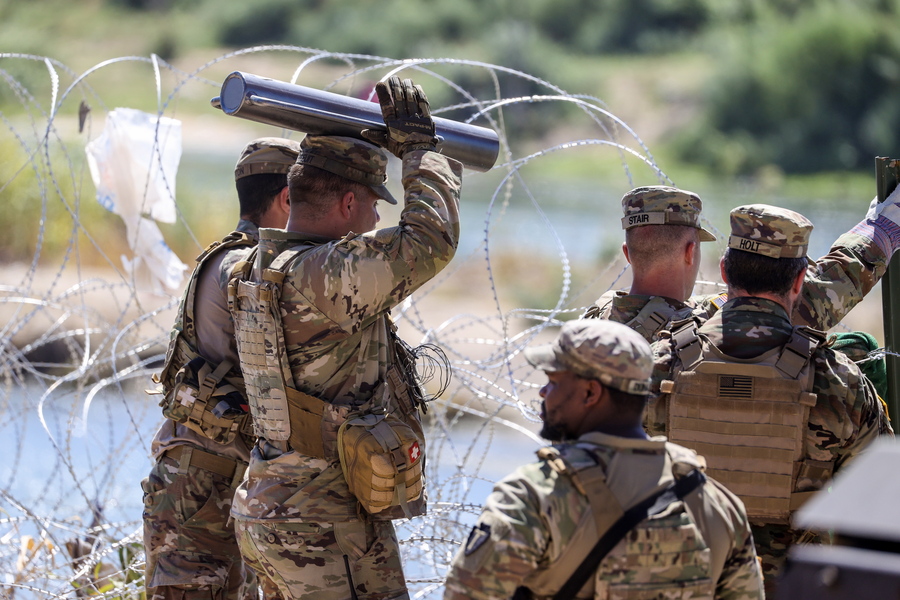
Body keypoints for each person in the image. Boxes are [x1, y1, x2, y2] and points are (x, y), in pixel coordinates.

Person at [227, 77, 462, 600]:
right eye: (375, 204)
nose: (379, 218)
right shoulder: (324, 274)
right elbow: (430, 240)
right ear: (349, 200)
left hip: (270, 503)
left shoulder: (255, 266)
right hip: (324, 523)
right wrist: (421, 151)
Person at [648, 204, 894, 595]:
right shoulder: (838, 381)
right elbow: (880, 498)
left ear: (724, 272)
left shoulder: (657, 366)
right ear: (799, 282)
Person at [443, 319, 764, 599]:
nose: (543, 393)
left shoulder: (536, 494)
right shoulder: (716, 502)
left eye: (553, 382)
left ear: (590, 394)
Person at [142, 137, 301, 600]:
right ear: (286, 199)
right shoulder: (245, 268)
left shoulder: (235, 258)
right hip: (200, 486)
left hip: (213, 483)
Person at [583, 185, 897, 342]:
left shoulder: (595, 320)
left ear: (628, 253)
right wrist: (880, 230)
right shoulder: (701, 325)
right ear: (691, 252)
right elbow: (817, 297)